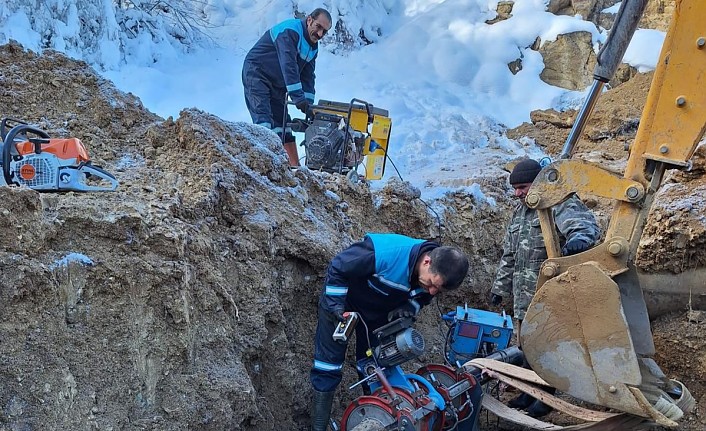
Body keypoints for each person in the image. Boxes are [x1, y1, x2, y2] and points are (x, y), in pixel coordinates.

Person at [310, 233, 470, 431]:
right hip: (344, 305)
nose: (431, 292)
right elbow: (338, 267)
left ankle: (379, 416)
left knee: (374, 365)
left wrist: (408, 309)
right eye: (432, 284)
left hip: (377, 313)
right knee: (328, 365)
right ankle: (317, 426)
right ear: (427, 261)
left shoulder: (429, 277)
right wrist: (336, 307)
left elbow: (422, 299)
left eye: (438, 290)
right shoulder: (386, 253)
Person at [490, 158, 601, 418]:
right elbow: (510, 255)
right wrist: (500, 288)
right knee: (528, 348)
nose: (518, 193)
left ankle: (547, 397)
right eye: (515, 188)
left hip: (552, 296)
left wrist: (578, 241)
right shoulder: (519, 213)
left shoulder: (557, 203)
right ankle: (529, 392)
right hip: (523, 299)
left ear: (537, 183)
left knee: (550, 350)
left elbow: (584, 226)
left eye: (523, 187)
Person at [242, 8, 332, 167]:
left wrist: (309, 107)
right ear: (309, 20)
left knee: (283, 125)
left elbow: (308, 76)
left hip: (278, 83)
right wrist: (299, 99)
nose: (320, 34)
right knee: (264, 122)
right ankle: (264, 168)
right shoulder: (290, 31)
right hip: (257, 74)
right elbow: (288, 66)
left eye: (324, 32)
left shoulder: (313, 47)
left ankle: (295, 170)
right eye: (318, 27)